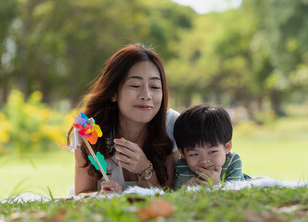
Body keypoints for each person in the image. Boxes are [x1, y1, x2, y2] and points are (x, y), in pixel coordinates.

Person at [67, 43, 180, 195]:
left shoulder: (170, 124)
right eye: (135, 85)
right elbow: (82, 194)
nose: (146, 95)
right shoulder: (88, 129)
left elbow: (170, 194)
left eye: (154, 87)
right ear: (113, 92)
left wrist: (145, 170)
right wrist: (100, 195)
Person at [173, 104, 249, 189]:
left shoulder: (232, 161)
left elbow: (234, 193)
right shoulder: (181, 166)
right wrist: (185, 188)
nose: (204, 161)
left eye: (212, 152)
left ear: (227, 147)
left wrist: (218, 185)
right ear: (183, 153)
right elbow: (175, 193)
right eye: (194, 154)